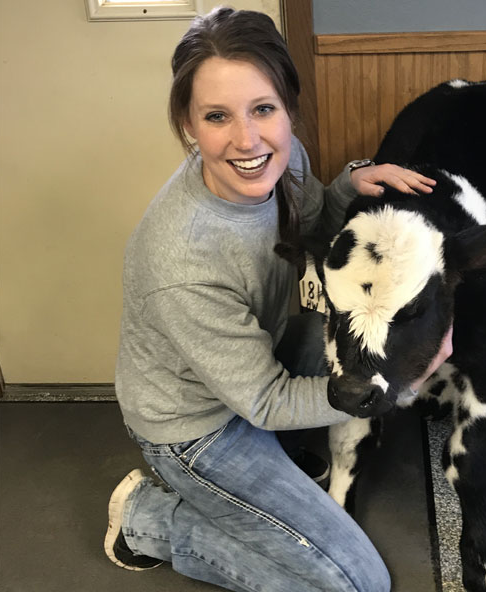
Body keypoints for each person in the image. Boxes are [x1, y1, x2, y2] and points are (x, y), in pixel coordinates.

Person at [105, 6, 451, 592]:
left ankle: (266, 479)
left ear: (288, 107)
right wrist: (404, 385)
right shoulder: (182, 260)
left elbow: (309, 220)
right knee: (357, 584)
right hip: (194, 426)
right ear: (189, 126)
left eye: (263, 109)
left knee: (343, 343)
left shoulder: (282, 159)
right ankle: (148, 520)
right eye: (217, 116)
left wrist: (349, 186)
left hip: (249, 366)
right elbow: (265, 402)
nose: (247, 140)